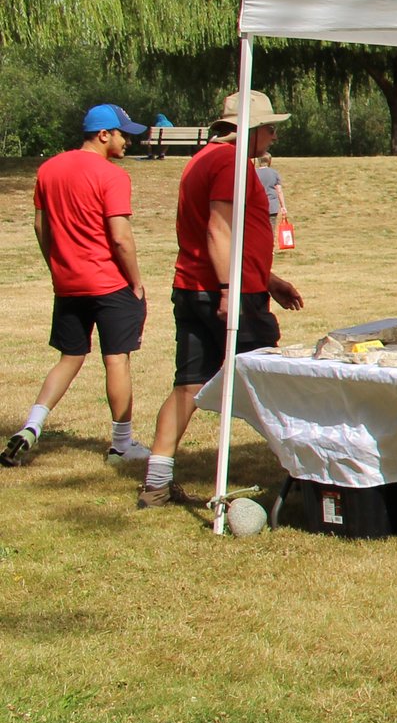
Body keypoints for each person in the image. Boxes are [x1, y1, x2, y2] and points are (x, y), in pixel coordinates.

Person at [140, 91, 307, 508]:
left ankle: (156, 483)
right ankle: (308, 476)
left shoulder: (202, 159)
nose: (273, 137)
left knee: (189, 385)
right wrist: (232, 290)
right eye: (270, 128)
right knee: (270, 383)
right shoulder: (229, 163)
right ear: (249, 128)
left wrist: (266, 278)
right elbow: (218, 229)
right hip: (225, 293)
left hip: (199, 286)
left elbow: (231, 236)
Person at [6, 105, 153, 470]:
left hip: (68, 283)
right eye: (124, 134)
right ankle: (120, 446)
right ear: (104, 134)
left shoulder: (48, 169)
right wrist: (135, 282)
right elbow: (120, 238)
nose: (128, 141)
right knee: (116, 359)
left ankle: (31, 426)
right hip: (109, 283)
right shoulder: (112, 176)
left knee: (70, 357)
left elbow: (41, 227)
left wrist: (56, 266)